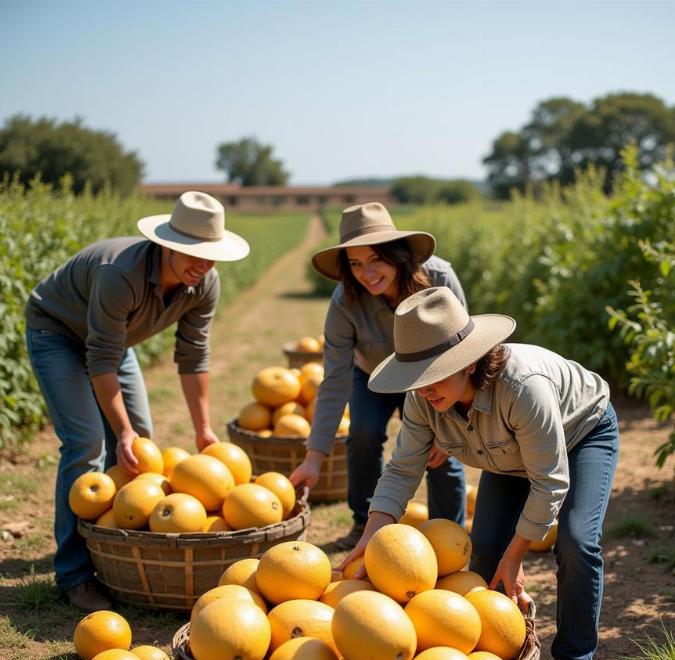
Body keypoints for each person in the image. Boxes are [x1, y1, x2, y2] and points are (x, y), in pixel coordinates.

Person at [341, 286, 619, 660]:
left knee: (577, 540)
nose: (424, 389)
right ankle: (496, 655)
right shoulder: (424, 398)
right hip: (506, 456)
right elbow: (402, 470)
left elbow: (549, 482)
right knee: (485, 555)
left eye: (435, 374)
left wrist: (519, 555)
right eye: (417, 377)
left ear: (468, 362)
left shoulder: (523, 387)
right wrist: (370, 534)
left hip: (582, 432)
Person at [25, 191, 250, 612]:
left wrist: (202, 428)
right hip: (57, 332)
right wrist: (120, 429)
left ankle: (117, 556)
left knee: (139, 448)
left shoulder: (204, 283)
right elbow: (100, 359)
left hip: (113, 341)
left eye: (211, 254)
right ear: (167, 243)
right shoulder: (120, 274)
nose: (202, 263)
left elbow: (193, 354)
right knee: (87, 443)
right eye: (192, 252)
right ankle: (74, 575)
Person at [289, 202, 466, 546]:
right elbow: (335, 379)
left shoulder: (440, 278)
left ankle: (449, 535)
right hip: (371, 376)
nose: (365, 273)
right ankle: (364, 522)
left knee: (441, 448)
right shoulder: (344, 301)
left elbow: (460, 354)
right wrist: (314, 458)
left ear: (397, 255)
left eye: (375, 260)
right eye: (355, 263)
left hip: (431, 375)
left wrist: (451, 426)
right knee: (364, 432)